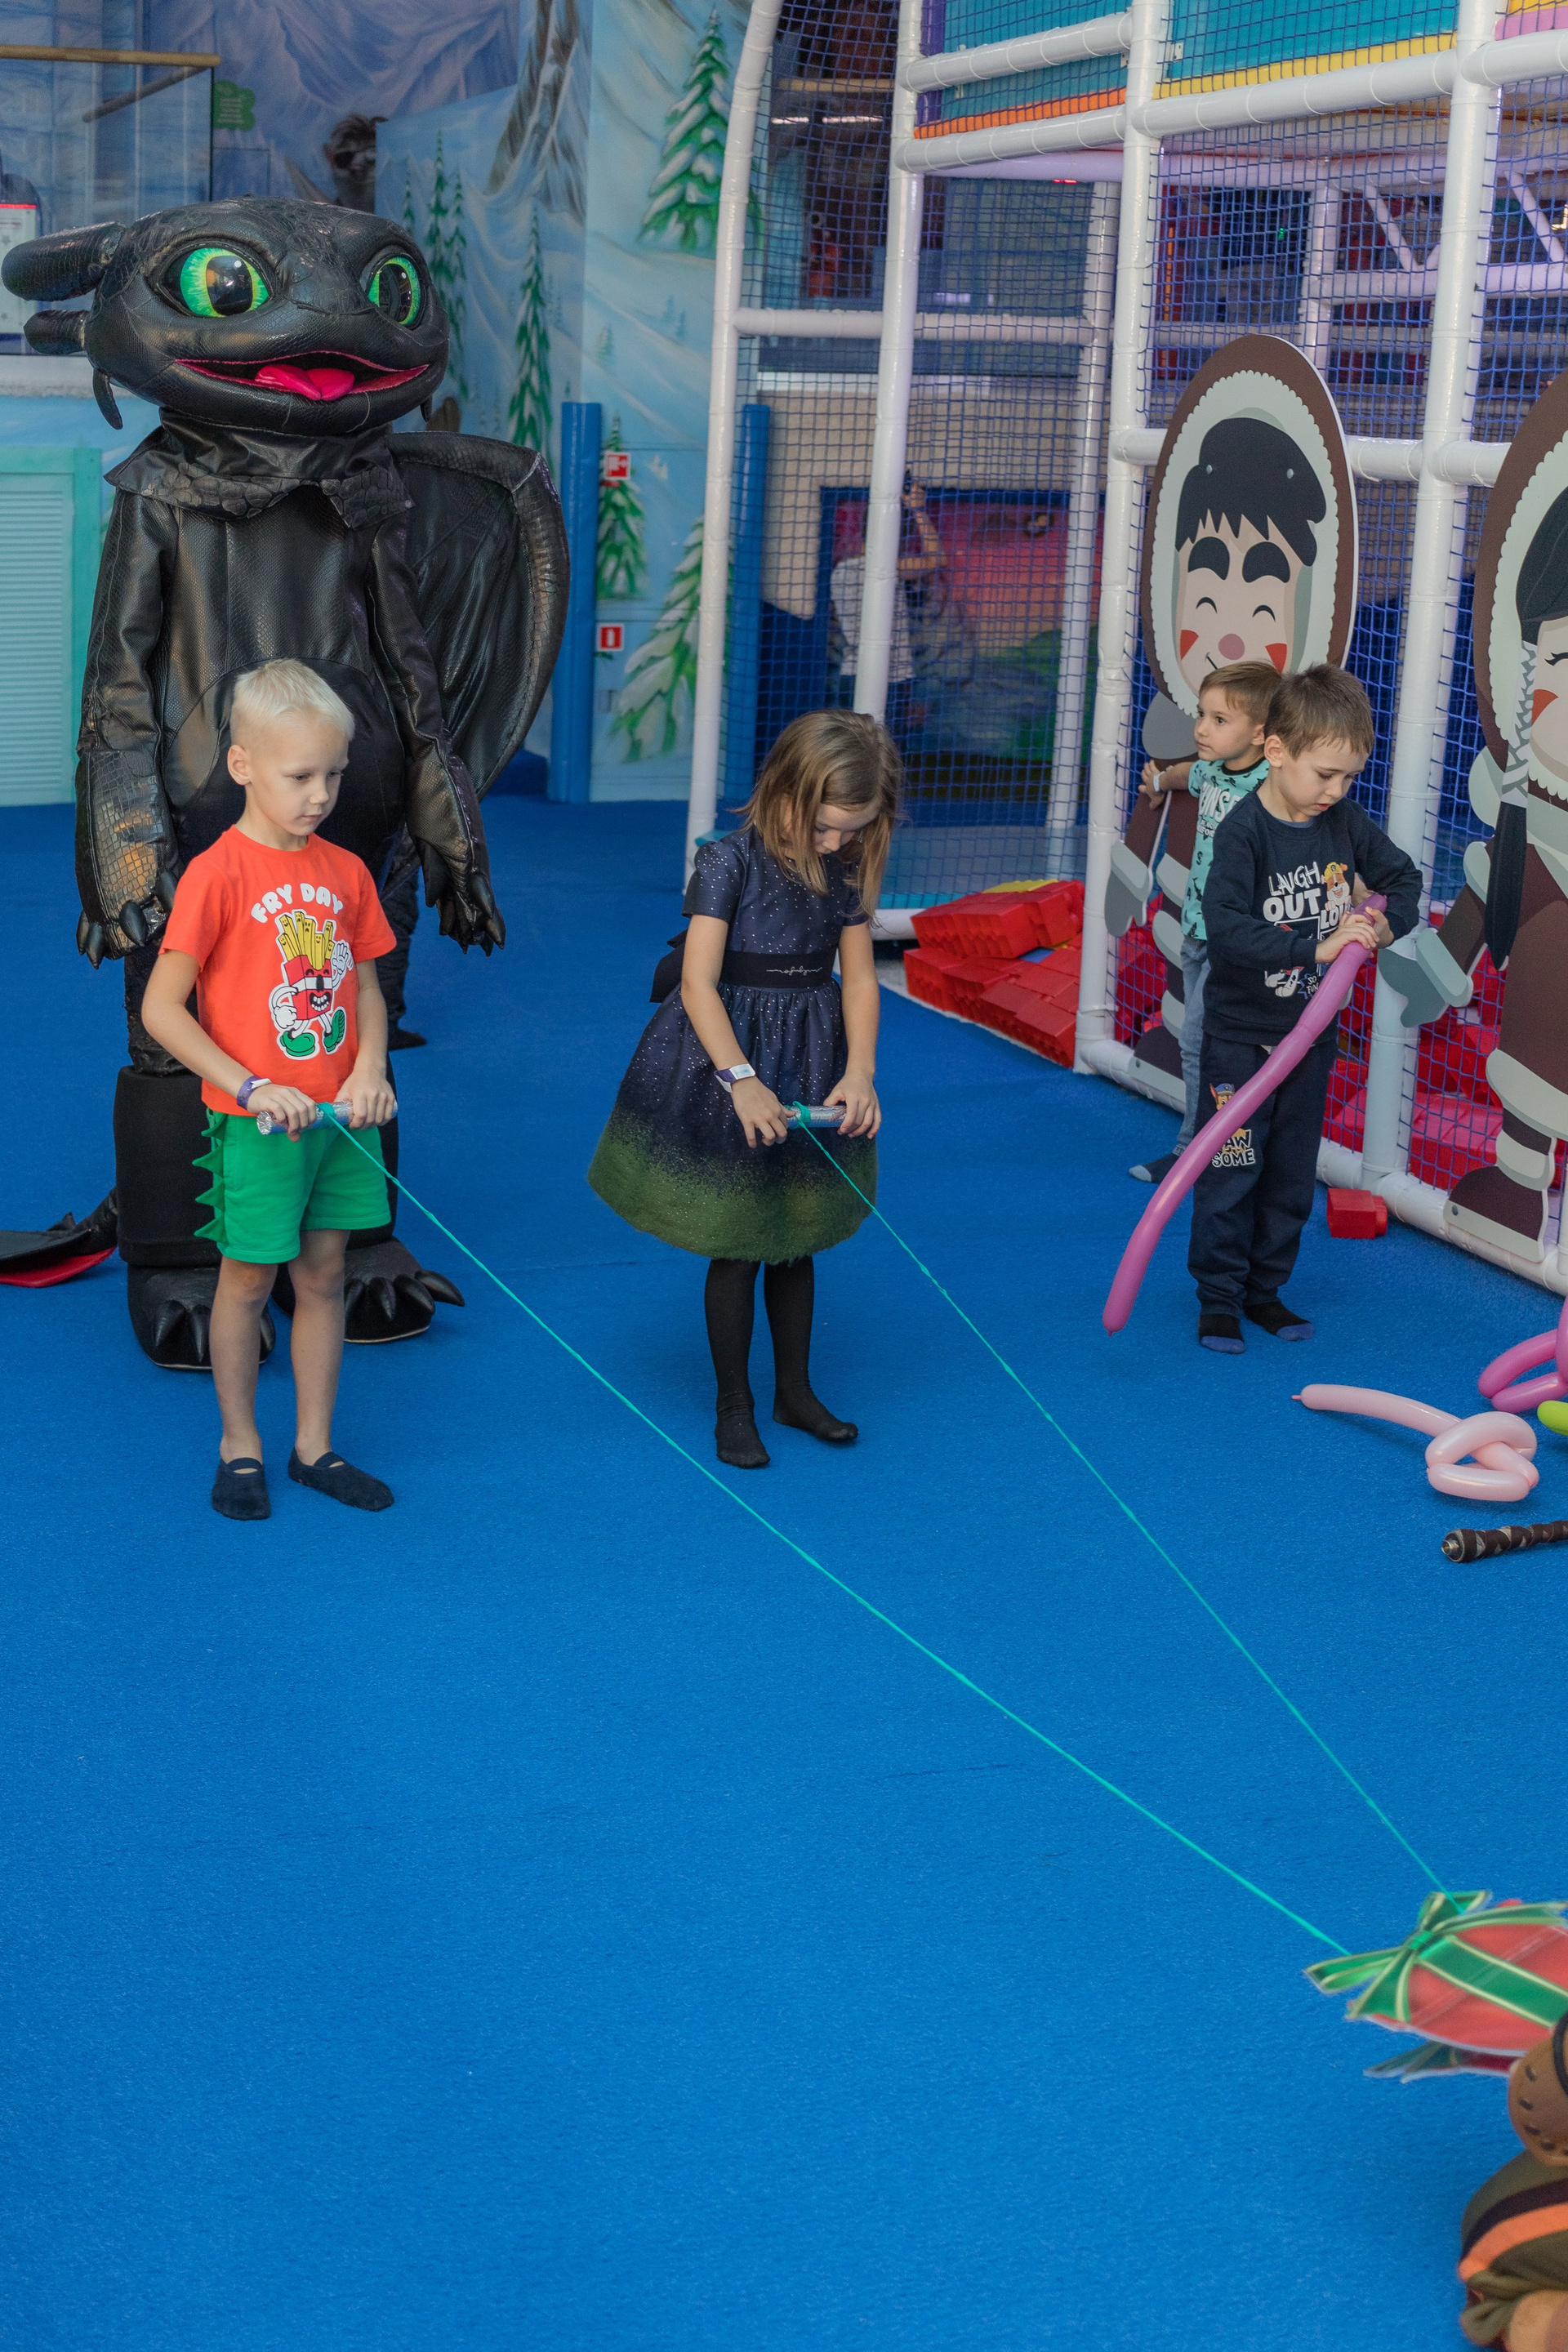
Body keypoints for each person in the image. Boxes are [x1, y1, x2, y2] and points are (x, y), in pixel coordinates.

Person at [588, 709, 898, 1469]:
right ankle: (735, 1405)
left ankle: (795, 1391)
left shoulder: (844, 868)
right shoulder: (727, 862)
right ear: (784, 793)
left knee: (796, 1233)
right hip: (730, 1052)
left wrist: (860, 1070)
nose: (836, 845)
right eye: (823, 828)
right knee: (738, 1239)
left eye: (851, 831)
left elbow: (861, 979)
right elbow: (697, 983)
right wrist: (741, 1082)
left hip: (812, 1049)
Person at [140, 660, 399, 1520]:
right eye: (300, 776)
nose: (321, 794)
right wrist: (248, 1086)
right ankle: (239, 1443)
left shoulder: (346, 871)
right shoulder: (217, 875)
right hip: (258, 1125)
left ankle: (313, 1446)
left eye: (334, 774)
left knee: (323, 1275)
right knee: (247, 1281)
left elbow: (366, 986)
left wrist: (369, 1068)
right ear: (243, 765)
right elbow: (162, 1010)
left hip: (340, 1118)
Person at [1187, 665, 1420, 1352]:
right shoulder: (1243, 832)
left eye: (1349, 777)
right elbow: (1226, 927)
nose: (1336, 791)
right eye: (1325, 774)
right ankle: (1219, 1298)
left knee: (1291, 1176)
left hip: (1310, 1044)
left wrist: (1383, 925)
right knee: (1232, 1172)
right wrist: (1316, 947)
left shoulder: (1341, 820)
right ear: (1277, 750)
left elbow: (1404, 879)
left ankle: (1265, 1291)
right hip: (1240, 1041)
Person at [1129, 660, 1280, 1184]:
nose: (1201, 729)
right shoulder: (1210, 771)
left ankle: (1192, 1151)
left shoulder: (1271, 786)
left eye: (1218, 720)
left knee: (1198, 1042)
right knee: (1202, 1044)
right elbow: (1182, 775)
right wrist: (1157, 782)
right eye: (1201, 714)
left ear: (1260, 734)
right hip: (1196, 932)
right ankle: (1216, 1147)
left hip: (1235, 943)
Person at [829, 481, 943, 736]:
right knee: (885, 749)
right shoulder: (888, 569)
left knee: (857, 747)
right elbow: (937, 559)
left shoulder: (842, 571)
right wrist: (919, 510)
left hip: (853, 674)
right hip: (890, 678)